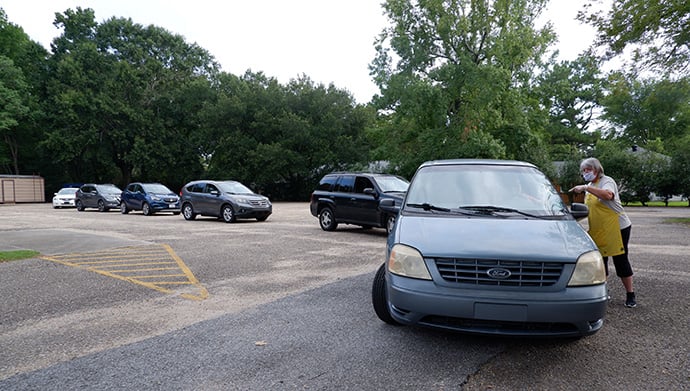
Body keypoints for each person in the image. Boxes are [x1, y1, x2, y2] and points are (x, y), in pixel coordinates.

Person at [569, 157, 637, 308]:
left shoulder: (607, 181)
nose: (585, 173)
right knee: (601, 260)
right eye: (583, 170)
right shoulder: (590, 185)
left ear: (597, 169)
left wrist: (586, 188)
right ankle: (603, 291)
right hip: (599, 228)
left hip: (618, 227)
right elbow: (589, 209)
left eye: (588, 170)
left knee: (620, 259)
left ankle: (630, 294)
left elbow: (608, 195)